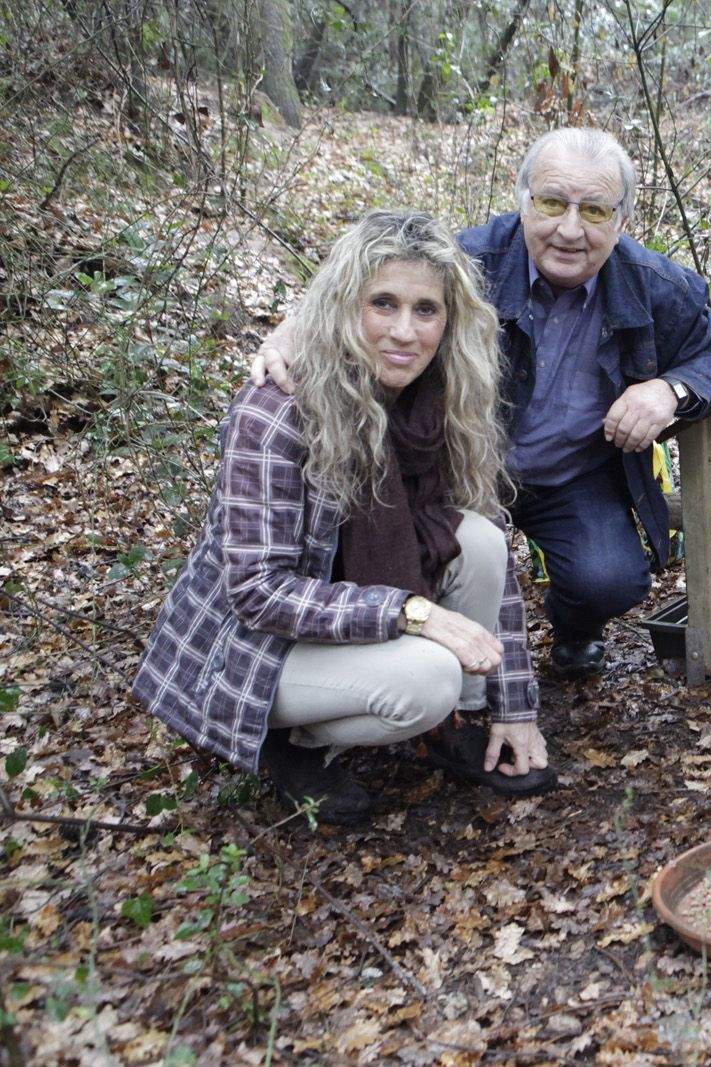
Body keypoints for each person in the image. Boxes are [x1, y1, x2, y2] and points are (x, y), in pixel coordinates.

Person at [255, 128, 711, 677]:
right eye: (552, 202)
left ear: (623, 220)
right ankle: (434, 677)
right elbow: (373, 284)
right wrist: (296, 329)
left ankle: (572, 631)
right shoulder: (469, 260)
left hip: (571, 474)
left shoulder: (655, 286)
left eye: (596, 211)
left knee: (611, 579)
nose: (570, 229)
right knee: (431, 563)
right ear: (522, 200)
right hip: (456, 463)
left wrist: (668, 390)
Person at [136, 211, 552, 825]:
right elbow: (257, 594)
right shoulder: (278, 412)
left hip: (349, 612)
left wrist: (515, 706)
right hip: (257, 649)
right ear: (342, 307)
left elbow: (499, 567)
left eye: (426, 310)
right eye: (382, 304)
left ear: (450, 321)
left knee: (483, 542)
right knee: (429, 677)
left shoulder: (440, 401)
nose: (405, 332)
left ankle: (456, 722)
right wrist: (417, 614)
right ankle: (290, 746)